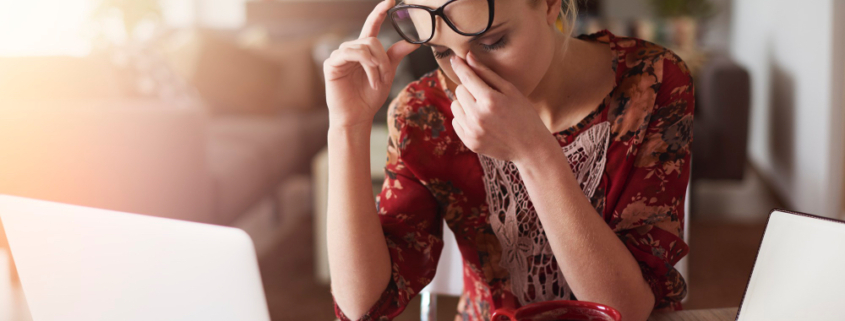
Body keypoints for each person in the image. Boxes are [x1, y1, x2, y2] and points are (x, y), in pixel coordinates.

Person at [323, 0, 694, 319]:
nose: (468, 75)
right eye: (443, 53)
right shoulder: (425, 115)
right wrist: (347, 126)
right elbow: (364, 305)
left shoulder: (651, 82)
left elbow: (627, 311)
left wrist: (534, 153)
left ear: (550, 4)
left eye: (492, 41)